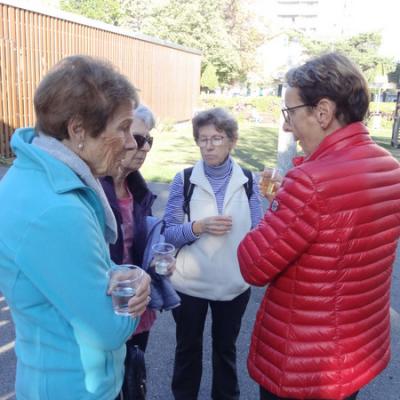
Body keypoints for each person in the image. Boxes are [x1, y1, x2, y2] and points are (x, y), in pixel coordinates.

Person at [238, 52, 400, 400]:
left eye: (290, 113)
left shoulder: (309, 183)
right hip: (355, 354)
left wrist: (278, 208)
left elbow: (252, 265)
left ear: (323, 112)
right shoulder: (390, 169)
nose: (287, 126)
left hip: (303, 364)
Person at [0, 55, 151, 400]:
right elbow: (109, 329)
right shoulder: (56, 208)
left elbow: (85, 266)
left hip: (48, 378)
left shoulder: (35, 176)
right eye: (123, 127)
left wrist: (125, 272)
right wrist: (136, 292)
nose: (132, 142)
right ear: (78, 130)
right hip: (76, 388)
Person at [163, 107, 263, 400]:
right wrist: (198, 227)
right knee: (187, 350)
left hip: (233, 285)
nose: (208, 146)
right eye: (203, 139)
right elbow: (169, 233)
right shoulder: (184, 179)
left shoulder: (249, 181)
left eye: (217, 138)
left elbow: (259, 231)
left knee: (225, 350)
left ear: (232, 141)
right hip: (189, 285)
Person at [100, 104, 180, 399]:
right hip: (104, 305)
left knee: (133, 378)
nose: (144, 147)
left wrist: (158, 261)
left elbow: (138, 247)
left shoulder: (138, 190)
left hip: (138, 306)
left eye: (149, 140)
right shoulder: (94, 191)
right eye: (137, 138)